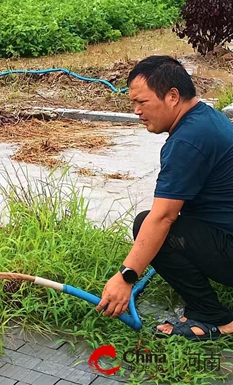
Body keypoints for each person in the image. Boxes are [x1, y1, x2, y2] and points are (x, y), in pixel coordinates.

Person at [97, 55, 233, 341]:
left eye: (142, 102)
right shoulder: (206, 118)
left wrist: (126, 277)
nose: (136, 111)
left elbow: (163, 217)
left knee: (147, 224)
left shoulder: (187, 141)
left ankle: (213, 317)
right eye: (133, 103)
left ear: (172, 96)